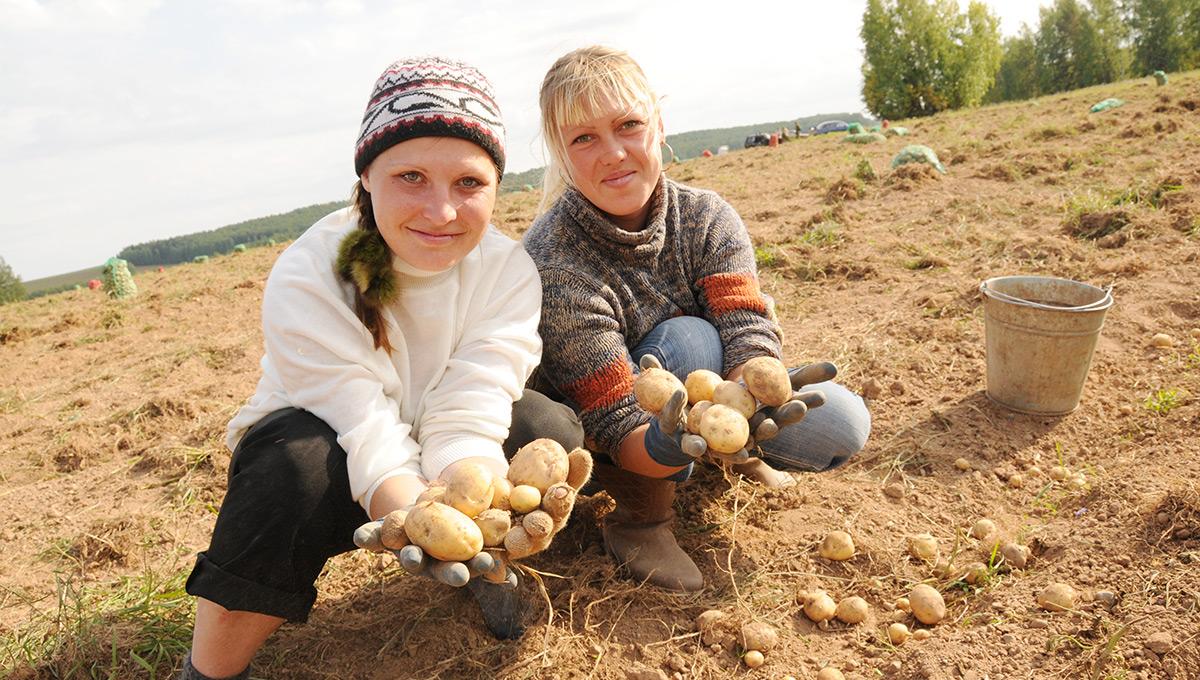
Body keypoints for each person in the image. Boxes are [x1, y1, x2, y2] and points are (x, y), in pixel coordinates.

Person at [178, 57, 582, 680]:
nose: (441, 211)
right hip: (334, 455)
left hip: (440, 452)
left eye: (469, 183)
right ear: (367, 174)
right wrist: (412, 514)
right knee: (289, 467)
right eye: (411, 176)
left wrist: (469, 519)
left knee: (544, 425)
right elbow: (359, 420)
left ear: (498, 185)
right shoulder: (311, 270)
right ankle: (209, 669)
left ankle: (486, 566)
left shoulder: (506, 272)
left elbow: (474, 399)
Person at [523, 46, 871, 592]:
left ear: (659, 126)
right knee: (688, 341)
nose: (613, 153)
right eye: (583, 138)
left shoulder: (707, 217)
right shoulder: (554, 260)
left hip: (706, 394)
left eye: (628, 125)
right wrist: (659, 447)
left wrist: (749, 394)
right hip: (608, 434)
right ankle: (641, 516)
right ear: (562, 155)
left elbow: (744, 325)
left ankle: (726, 454)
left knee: (843, 425)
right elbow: (614, 416)